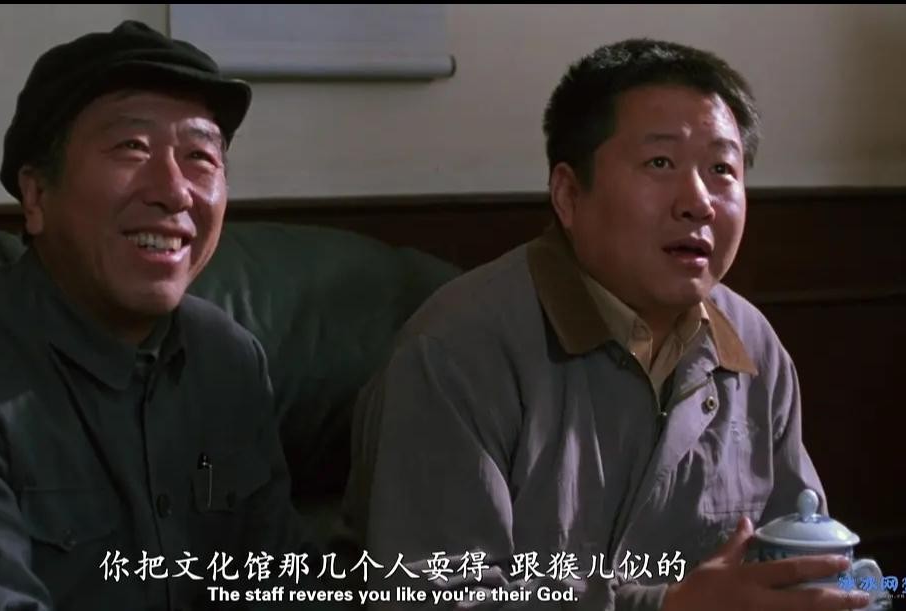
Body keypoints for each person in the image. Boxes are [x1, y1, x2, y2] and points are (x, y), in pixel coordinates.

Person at [344, 38, 873, 611]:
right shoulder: (456, 351)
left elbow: (801, 556)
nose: (698, 202)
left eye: (722, 169)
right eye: (660, 163)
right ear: (569, 194)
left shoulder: (753, 343)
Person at [0, 20, 311, 611]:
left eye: (200, 156)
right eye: (132, 148)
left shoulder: (230, 359)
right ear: (37, 196)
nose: (174, 191)